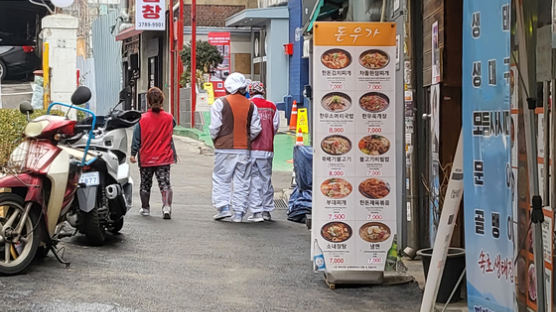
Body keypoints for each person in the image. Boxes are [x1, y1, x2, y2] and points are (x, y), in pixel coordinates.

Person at [210, 73, 261, 222]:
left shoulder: (220, 103)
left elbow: (214, 127)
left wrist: (217, 140)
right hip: (244, 148)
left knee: (221, 178)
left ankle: (223, 207)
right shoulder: (251, 105)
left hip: (223, 148)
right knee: (242, 180)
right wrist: (247, 138)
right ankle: (238, 213)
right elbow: (256, 128)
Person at [130, 87, 176, 219]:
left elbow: (136, 139)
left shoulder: (142, 119)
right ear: (162, 101)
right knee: (165, 182)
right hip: (164, 157)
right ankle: (166, 207)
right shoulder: (169, 118)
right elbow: (173, 126)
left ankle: (145, 208)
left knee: (145, 183)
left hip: (146, 157)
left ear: (148, 102)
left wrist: (133, 154)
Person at [246, 81, 279, 222]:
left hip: (251, 149)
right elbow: (275, 126)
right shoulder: (272, 106)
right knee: (266, 179)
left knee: (253, 180)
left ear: (251, 91)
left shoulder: (247, 105)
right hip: (267, 148)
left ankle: (256, 211)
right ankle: (267, 210)